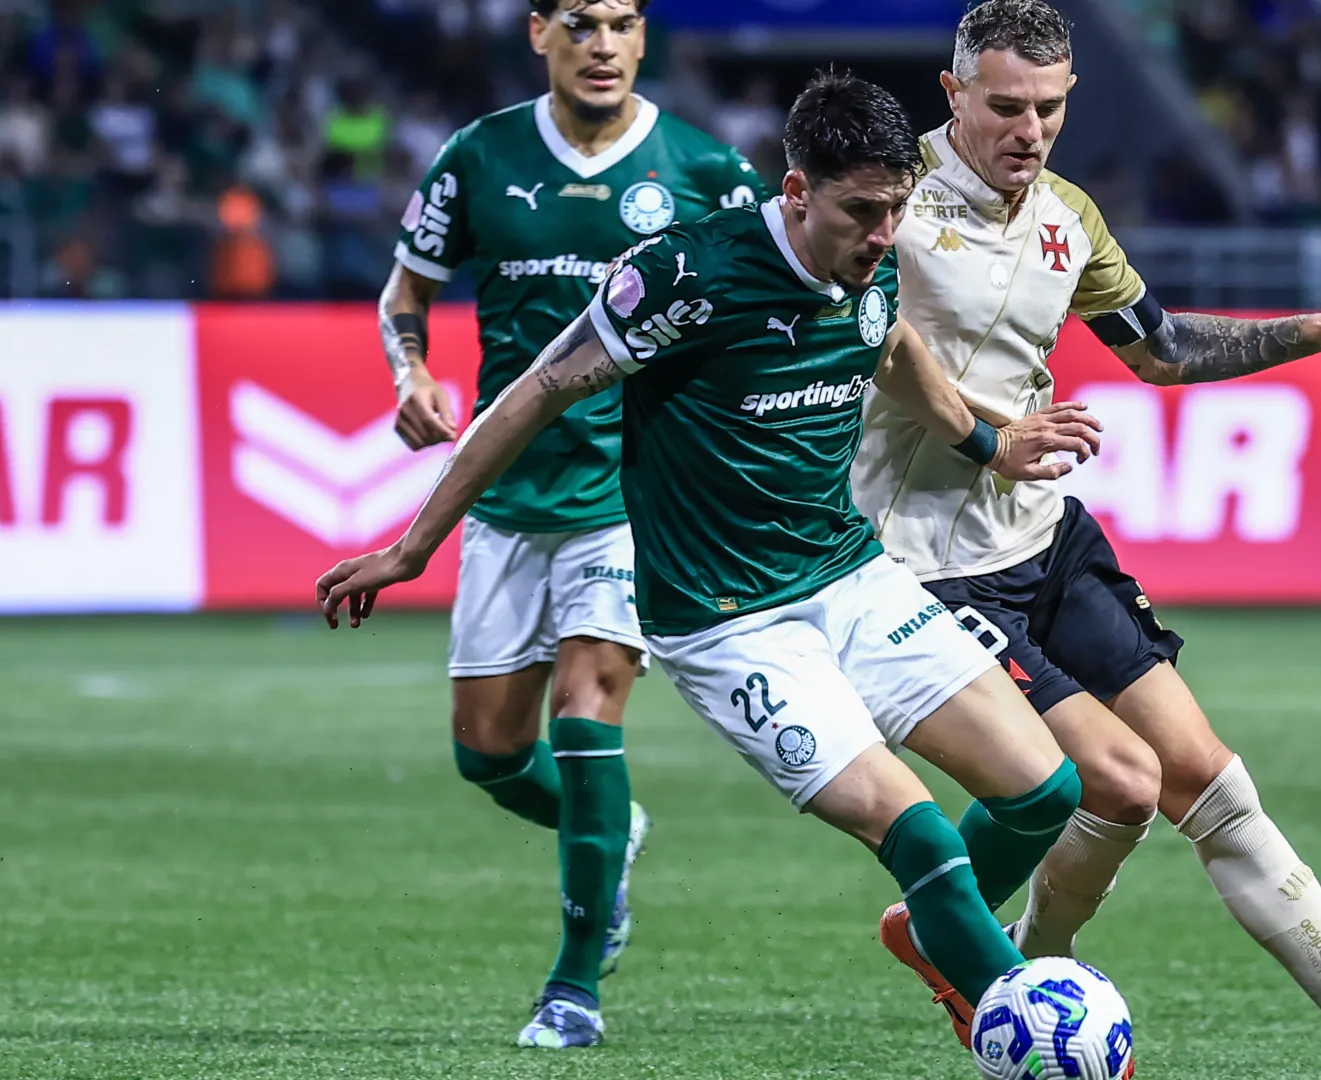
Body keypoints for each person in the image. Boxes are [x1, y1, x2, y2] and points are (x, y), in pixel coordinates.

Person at [326, 71, 1100, 1057]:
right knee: (925, 842)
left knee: (1046, 793)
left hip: (850, 576)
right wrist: (411, 547)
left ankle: (942, 944)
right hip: (730, 623)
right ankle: (1030, 1033)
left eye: (895, 210)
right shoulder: (685, 280)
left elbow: (891, 343)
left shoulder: (875, 260)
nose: (880, 233)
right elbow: (534, 393)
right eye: (860, 212)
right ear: (794, 193)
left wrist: (989, 444)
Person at [851, 4, 1321, 1079]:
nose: (1029, 129)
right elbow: (874, 343)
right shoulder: (891, 199)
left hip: (1046, 538)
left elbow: (1161, 351)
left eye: (1051, 107)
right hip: (927, 564)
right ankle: (978, 947)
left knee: (1208, 781)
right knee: (1115, 784)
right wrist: (989, 438)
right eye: (1005, 107)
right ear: (953, 96)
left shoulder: (1067, 219)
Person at [374, 0, 765, 1049]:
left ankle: (573, 986)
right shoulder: (480, 157)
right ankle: (611, 833)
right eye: (581, 23)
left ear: (646, 40)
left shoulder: (707, 172)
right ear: (539, 31)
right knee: (489, 755)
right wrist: (411, 369)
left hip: (632, 495)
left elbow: (774, 298)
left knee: (587, 709)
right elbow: (408, 282)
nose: (603, 45)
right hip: (506, 497)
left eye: (624, 23)